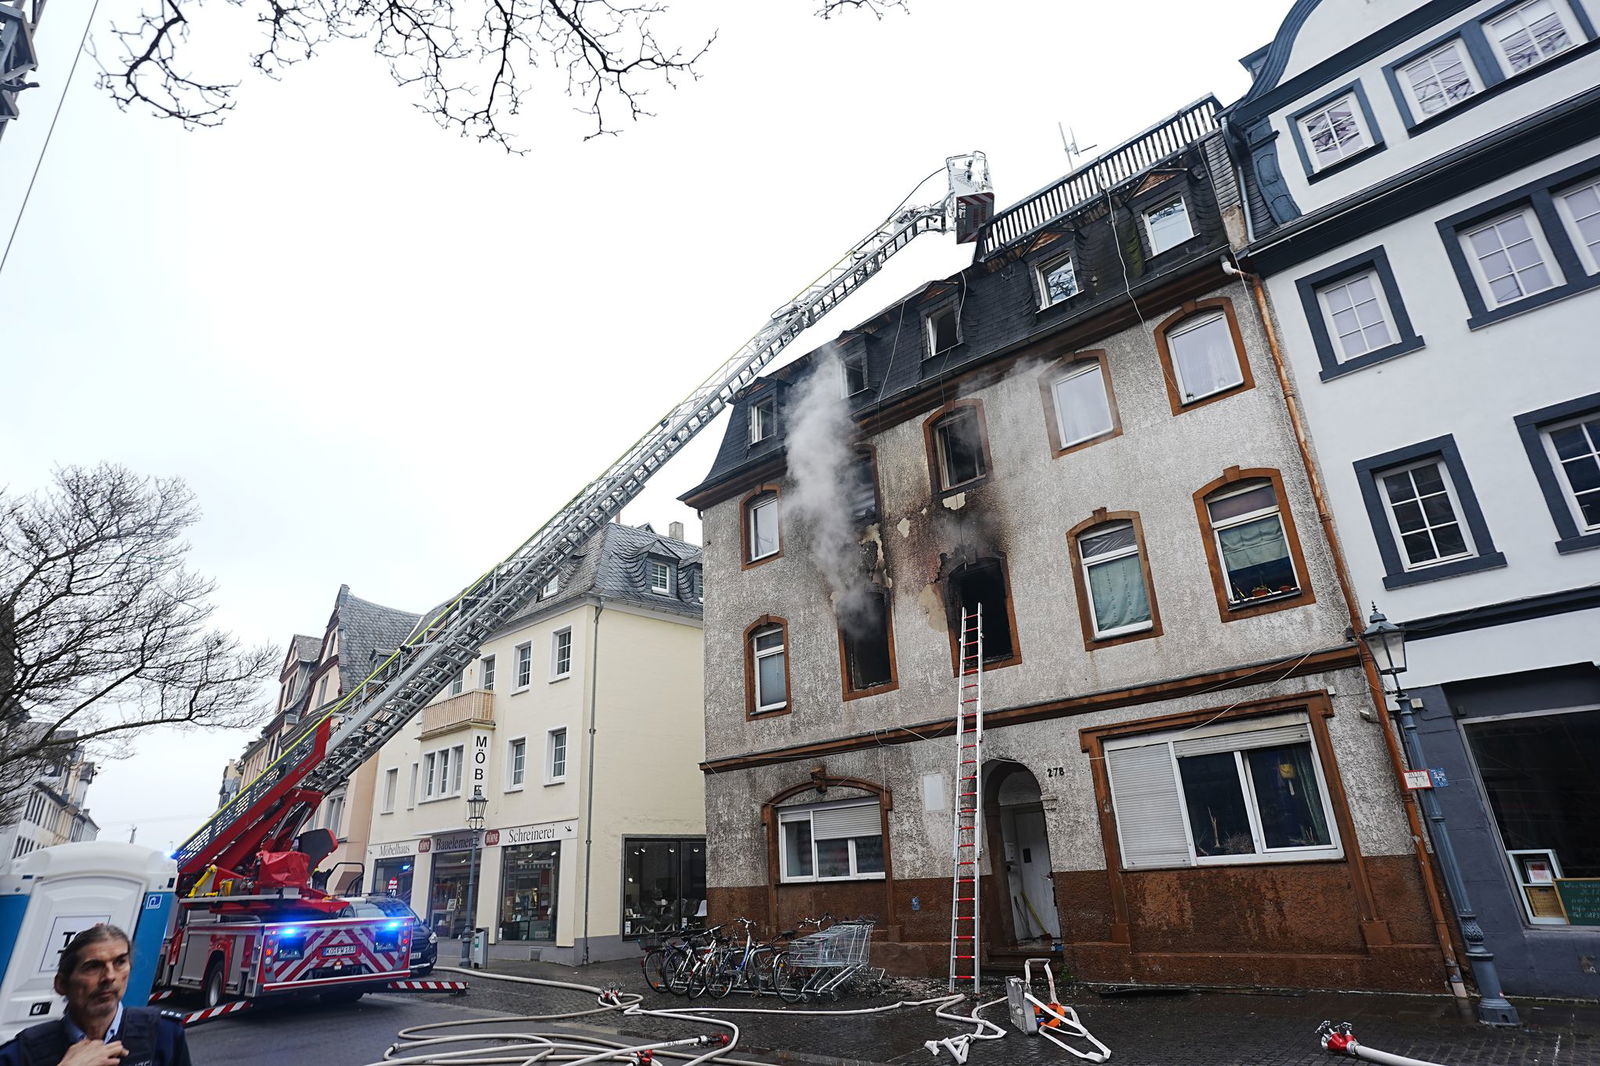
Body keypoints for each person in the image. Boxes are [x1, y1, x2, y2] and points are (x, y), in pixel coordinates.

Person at [0, 924, 191, 1066]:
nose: (109, 976)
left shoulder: (164, 1035)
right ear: (62, 984)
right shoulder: (22, 1054)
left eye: (119, 962)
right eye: (93, 966)